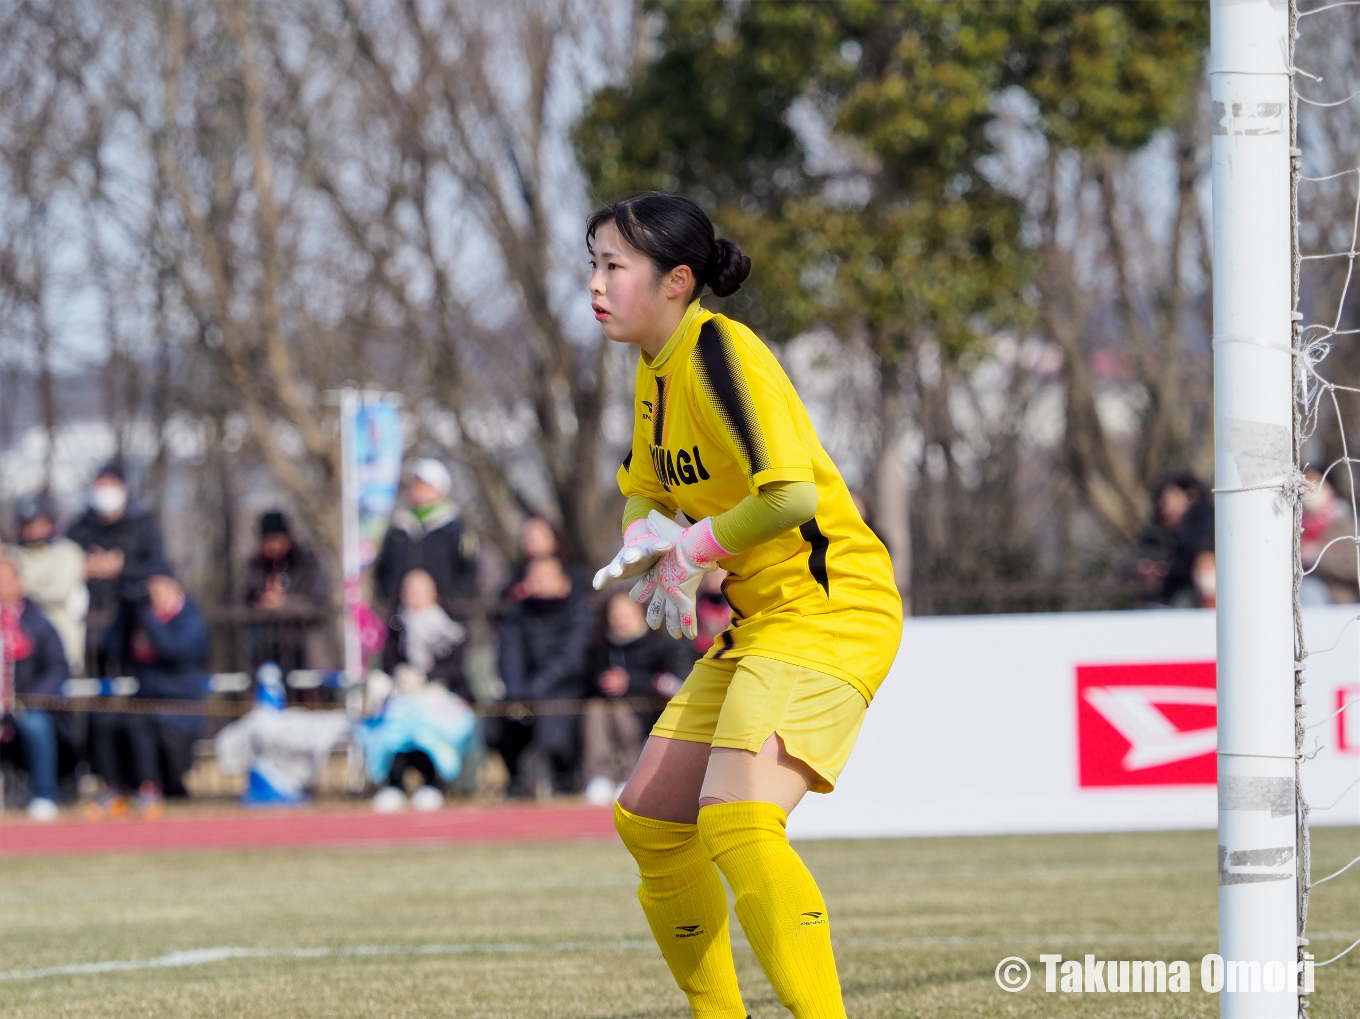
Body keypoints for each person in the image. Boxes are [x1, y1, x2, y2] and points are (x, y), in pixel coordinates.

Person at [587, 193, 902, 1019]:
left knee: (737, 821)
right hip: (769, 620)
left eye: (614, 265)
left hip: (834, 606)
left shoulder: (720, 348)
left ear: (676, 281)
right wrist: (646, 541)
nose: (595, 283)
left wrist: (694, 550)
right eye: (593, 263)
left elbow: (791, 494)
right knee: (650, 820)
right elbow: (645, 490)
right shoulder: (652, 373)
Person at [87, 573, 208, 818]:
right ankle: (114, 789)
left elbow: (172, 650)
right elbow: (110, 649)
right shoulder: (141, 618)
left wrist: (146, 617)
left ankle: (149, 789)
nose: (152, 599)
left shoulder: (191, 620)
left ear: (175, 591)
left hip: (179, 705)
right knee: (102, 719)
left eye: (158, 593)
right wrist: (126, 613)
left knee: (138, 721)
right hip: (145, 700)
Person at [488, 554, 592, 796]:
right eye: (534, 577)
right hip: (523, 690)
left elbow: (572, 660)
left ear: (563, 581)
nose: (539, 583)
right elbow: (509, 656)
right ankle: (515, 778)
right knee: (499, 715)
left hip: (565, 688)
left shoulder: (578, 612)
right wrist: (518, 693)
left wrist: (537, 687)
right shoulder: (517, 615)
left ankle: (563, 776)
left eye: (546, 577)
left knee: (555, 714)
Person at [582, 590, 689, 806]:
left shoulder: (660, 645)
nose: (621, 619)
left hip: (648, 715)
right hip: (607, 711)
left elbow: (673, 682)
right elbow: (585, 681)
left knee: (621, 712)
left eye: (627, 612)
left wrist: (631, 682)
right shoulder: (600, 648)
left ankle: (630, 774)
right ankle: (599, 777)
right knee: (595, 709)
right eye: (616, 613)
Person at [67, 463, 168, 675]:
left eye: (109, 486)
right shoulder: (79, 528)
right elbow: (62, 564)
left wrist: (122, 567)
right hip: (89, 623)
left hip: (134, 620)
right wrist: (79, 569)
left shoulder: (143, 527)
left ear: (123, 488)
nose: (104, 493)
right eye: (99, 487)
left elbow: (160, 570)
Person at [0, 560, 70, 821]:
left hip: (28, 706)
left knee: (36, 725)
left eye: (5, 580)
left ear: (20, 584)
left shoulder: (38, 624)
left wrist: (29, 700)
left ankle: (44, 796)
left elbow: (57, 668)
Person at [372, 459, 479, 619]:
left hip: (446, 617)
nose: (418, 489)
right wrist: (391, 597)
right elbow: (382, 569)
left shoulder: (456, 528)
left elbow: (470, 572)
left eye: (425, 485)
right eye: (416, 483)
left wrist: (450, 602)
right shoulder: (398, 527)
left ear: (440, 490)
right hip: (401, 617)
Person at [242, 510, 333, 673]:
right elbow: (241, 601)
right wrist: (260, 602)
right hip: (266, 651)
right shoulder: (255, 567)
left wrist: (286, 603)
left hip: (306, 652)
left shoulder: (308, 563)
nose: (273, 546)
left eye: (277, 539)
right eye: (268, 541)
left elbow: (320, 603)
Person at [5, 496, 88, 674]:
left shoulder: (67, 551)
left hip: (60, 636)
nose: (32, 529)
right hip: (18, 643)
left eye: (37, 523)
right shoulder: (12, 553)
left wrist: (21, 587)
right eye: (27, 524)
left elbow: (58, 591)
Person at [382, 568, 470, 700]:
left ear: (432, 593)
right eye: (408, 590)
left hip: (446, 690)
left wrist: (424, 676)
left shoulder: (451, 627)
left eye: (416, 591)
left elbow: (456, 667)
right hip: (405, 689)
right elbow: (389, 661)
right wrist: (402, 672)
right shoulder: (397, 624)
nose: (411, 594)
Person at [1133, 475, 1214, 607]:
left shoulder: (1205, 521)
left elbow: (1203, 558)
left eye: (1168, 499)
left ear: (1190, 496)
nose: (1163, 506)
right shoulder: (1159, 532)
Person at [1301, 469, 1359, 604]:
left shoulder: (1348, 525)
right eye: (1305, 485)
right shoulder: (1297, 524)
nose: (1308, 490)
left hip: (1338, 597)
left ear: (1329, 487)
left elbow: (1354, 565)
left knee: (1309, 593)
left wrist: (1316, 555)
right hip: (1305, 587)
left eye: (1315, 485)